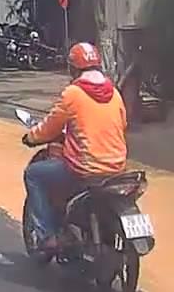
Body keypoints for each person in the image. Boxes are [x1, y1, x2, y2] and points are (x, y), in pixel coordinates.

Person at [22, 42, 128, 251]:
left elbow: (50, 127)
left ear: (73, 68)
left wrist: (31, 137)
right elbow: (123, 124)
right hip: (117, 168)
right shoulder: (115, 94)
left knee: (33, 175)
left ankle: (47, 235)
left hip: (84, 170)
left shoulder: (72, 94)